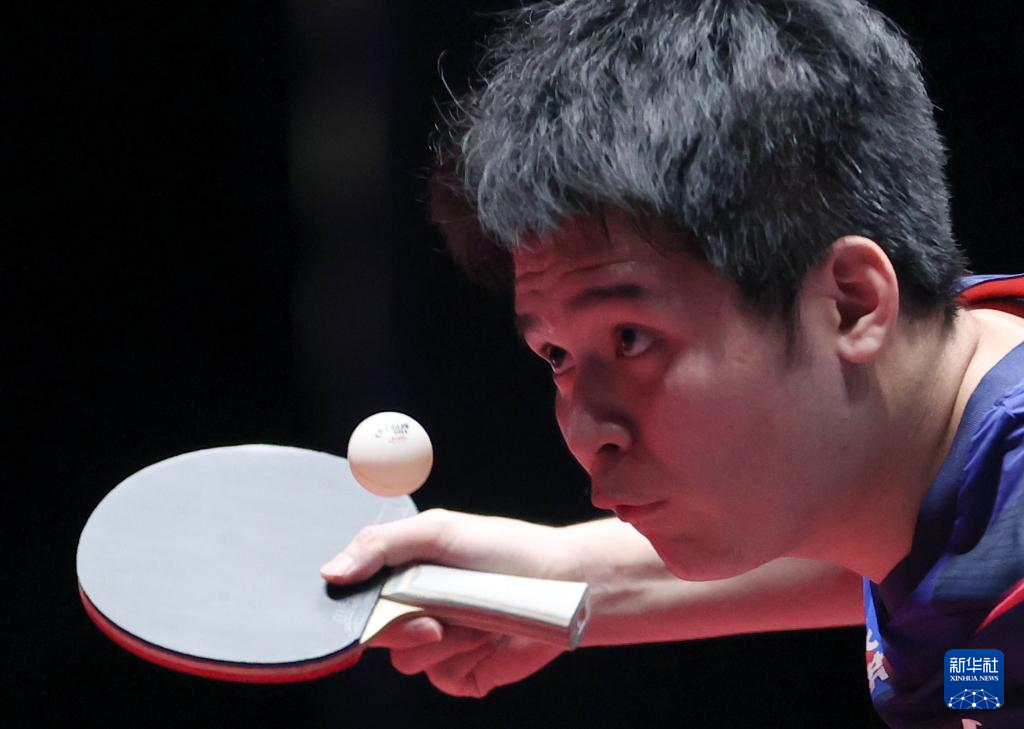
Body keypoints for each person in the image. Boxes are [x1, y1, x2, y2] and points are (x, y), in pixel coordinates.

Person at [320, 1, 1024, 726]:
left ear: (848, 303)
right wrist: (560, 574)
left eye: (631, 338)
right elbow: (911, 550)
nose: (585, 432)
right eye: (556, 354)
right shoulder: (945, 394)